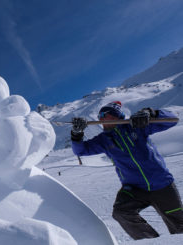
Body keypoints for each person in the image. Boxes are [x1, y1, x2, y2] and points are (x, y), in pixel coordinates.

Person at [71, 101, 183, 240]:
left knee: (179, 227)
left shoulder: (136, 127)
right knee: (121, 212)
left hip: (162, 185)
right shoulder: (104, 140)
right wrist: (77, 134)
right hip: (134, 189)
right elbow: (81, 150)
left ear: (118, 116)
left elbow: (172, 120)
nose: (102, 118)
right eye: (100, 116)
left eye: (106, 115)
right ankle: (151, 242)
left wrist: (150, 113)